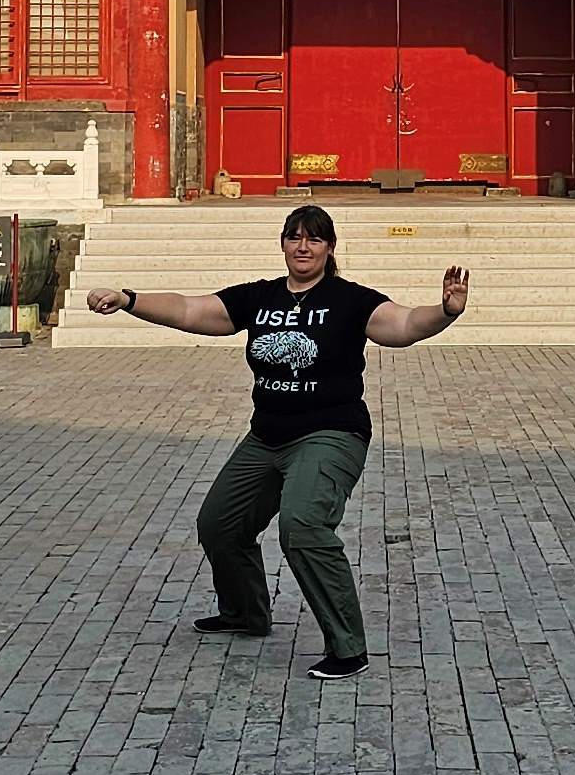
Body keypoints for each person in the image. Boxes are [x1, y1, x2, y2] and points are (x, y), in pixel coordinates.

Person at [84, 205, 468, 680]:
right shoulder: (259, 297)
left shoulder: (350, 300)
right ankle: (245, 612)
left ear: (330, 248)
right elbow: (190, 309)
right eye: (294, 238)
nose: (303, 247)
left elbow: (405, 325)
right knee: (220, 524)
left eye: (314, 239)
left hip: (331, 432)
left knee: (303, 526)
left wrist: (445, 312)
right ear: (283, 244)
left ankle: (348, 647)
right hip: (267, 434)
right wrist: (129, 298)